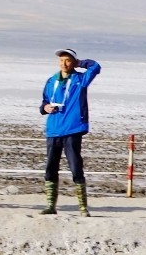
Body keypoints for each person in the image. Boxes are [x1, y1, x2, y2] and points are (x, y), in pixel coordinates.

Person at [39, 49, 102, 216]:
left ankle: (83, 208)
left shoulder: (80, 80)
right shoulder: (51, 81)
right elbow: (44, 102)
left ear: (73, 62)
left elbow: (95, 66)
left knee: (75, 166)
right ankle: (51, 206)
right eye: (61, 61)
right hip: (53, 130)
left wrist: (80, 63)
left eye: (67, 60)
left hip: (73, 129)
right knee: (50, 167)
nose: (64, 64)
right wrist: (45, 108)